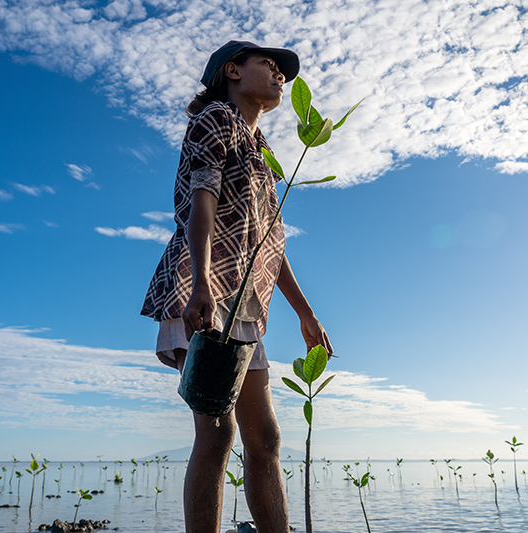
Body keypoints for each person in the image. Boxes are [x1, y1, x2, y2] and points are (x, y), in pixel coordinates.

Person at [141, 40, 333, 533]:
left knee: (265, 438)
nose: (279, 76)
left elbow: (270, 243)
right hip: (199, 286)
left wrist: (304, 312)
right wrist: (201, 283)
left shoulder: (264, 151)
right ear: (231, 71)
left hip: (244, 301)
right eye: (268, 65)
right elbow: (201, 201)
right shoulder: (216, 119)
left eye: (282, 73)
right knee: (216, 431)